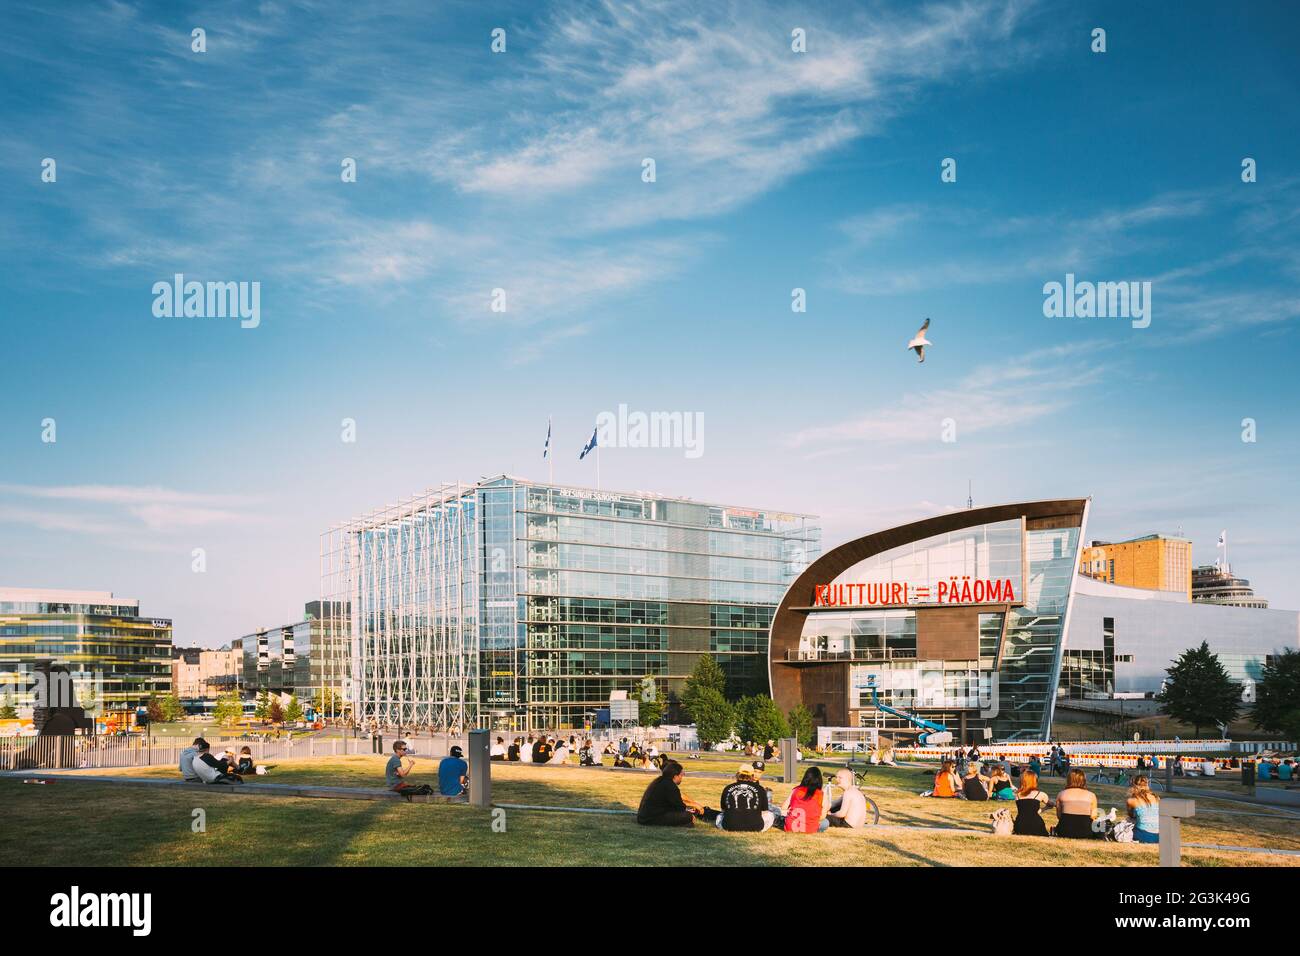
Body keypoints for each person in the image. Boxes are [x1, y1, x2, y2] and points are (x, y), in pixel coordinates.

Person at [636, 760, 707, 827]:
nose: (681, 778)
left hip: (644, 817)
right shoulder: (670, 786)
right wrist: (691, 812)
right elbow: (680, 807)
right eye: (681, 775)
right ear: (675, 776)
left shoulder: (659, 781)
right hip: (651, 818)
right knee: (687, 816)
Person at [716, 763, 775, 832]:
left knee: (719, 816)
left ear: (737, 774)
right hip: (755, 827)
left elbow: (723, 810)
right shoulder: (760, 789)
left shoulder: (727, 788)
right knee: (770, 815)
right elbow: (764, 811)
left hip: (729, 827)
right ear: (752, 776)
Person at [1054, 770, 1098, 839]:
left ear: (1068, 780)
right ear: (1084, 780)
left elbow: (1059, 816)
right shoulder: (1091, 795)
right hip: (1086, 832)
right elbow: (1093, 816)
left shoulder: (1061, 794)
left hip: (1064, 831)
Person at [783, 766, 829, 832]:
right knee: (826, 822)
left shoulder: (796, 790)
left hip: (791, 826)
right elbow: (822, 816)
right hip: (810, 828)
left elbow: (784, 807)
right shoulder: (822, 794)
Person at [1012, 770, 1051, 836]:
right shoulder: (1040, 794)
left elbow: (1027, 812)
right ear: (1035, 781)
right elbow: (1050, 804)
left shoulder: (1017, 795)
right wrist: (1046, 808)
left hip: (1020, 825)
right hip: (1036, 825)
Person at [1127, 775, 1160, 844]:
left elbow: (1131, 816)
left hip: (1143, 834)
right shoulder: (1156, 798)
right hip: (1158, 835)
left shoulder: (1131, 800)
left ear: (1134, 785)